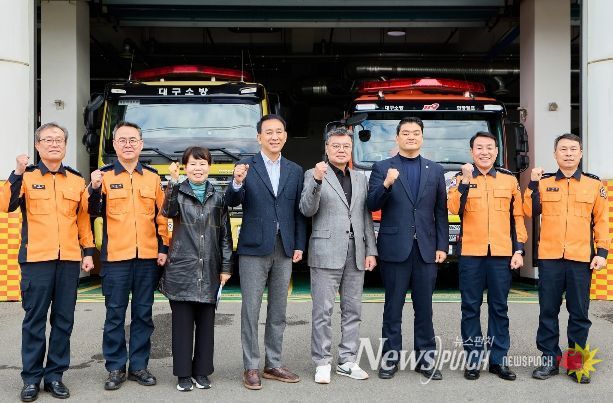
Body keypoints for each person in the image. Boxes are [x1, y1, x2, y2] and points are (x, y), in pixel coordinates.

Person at [0, 123, 95, 402]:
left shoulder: (76, 180)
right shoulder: (26, 177)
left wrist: (88, 251)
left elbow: (82, 219)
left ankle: (55, 376)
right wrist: (16, 173)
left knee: (63, 321)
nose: (54, 144)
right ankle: (31, 379)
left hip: (68, 260)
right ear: (37, 145)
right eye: (48, 140)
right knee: (35, 321)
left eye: (59, 140)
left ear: (65, 145)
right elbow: (6, 205)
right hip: (36, 260)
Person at [225, 114, 307, 390]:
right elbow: (231, 201)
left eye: (279, 131)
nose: (274, 136)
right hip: (253, 248)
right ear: (259, 137)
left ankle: (273, 363)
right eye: (268, 132)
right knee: (251, 309)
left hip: (284, 247)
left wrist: (299, 244)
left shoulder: (295, 170)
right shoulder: (246, 166)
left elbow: (298, 211)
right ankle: (250, 366)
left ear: (285, 136)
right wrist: (236, 182)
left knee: (279, 310)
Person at [88, 121, 169, 391]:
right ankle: (115, 366)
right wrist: (94, 188)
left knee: (143, 314)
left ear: (141, 144)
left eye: (133, 140)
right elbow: (91, 211)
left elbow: (162, 217)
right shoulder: (103, 176)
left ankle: (138, 366)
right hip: (116, 259)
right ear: (114, 145)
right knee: (115, 315)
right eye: (122, 140)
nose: (128, 144)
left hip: (147, 258)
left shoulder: (153, 178)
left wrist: (164, 248)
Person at [367, 117, 448, 381]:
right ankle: (390, 359)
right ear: (397, 137)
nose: (411, 136)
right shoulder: (382, 168)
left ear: (422, 137)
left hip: (426, 249)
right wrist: (387, 184)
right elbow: (371, 203)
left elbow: (440, 211)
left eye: (415, 133)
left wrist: (442, 245)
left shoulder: (435, 170)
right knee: (393, 307)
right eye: (405, 133)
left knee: (424, 308)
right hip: (394, 248)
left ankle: (426, 361)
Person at [525, 133, 610, 384]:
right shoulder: (544, 183)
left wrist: (602, 253)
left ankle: (576, 364)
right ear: (555, 154)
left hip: (581, 259)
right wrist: (532, 184)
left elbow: (601, 221)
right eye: (563, 149)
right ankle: (549, 360)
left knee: (579, 313)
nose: (569, 153)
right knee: (548, 311)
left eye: (573, 149)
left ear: (580, 153)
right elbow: (528, 211)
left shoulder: (594, 184)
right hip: (550, 258)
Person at [299, 127, 377, 384]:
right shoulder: (313, 174)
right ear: (326, 148)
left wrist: (371, 250)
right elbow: (306, 209)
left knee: (353, 310)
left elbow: (365, 216)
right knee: (323, 311)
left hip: (356, 251)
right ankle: (322, 361)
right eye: (336, 146)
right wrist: (317, 181)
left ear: (351, 149)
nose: (341, 150)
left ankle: (347, 360)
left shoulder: (360, 178)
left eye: (346, 146)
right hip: (326, 250)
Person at [447, 131, 526, 381]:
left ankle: (498, 360)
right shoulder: (459, 178)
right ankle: (473, 360)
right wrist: (465, 181)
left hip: (501, 254)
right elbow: (453, 209)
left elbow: (517, 218)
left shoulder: (509, 180)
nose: (485, 152)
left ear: (497, 150)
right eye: (479, 148)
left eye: (489, 147)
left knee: (499, 308)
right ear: (472, 152)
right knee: (470, 308)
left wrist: (519, 249)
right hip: (471, 254)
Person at [158, 147, 233, 392]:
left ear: (209, 167)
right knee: (182, 326)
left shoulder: (218, 197)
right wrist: (172, 182)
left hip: (209, 268)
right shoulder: (177, 192)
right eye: (192, 164)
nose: (197, 168)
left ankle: (201, 372)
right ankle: (183, 374)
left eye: (202, 164)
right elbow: (167, 211)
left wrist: (226, 267)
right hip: (182, 268)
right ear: (185, 167)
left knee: (206, 325)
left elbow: (225, 236)